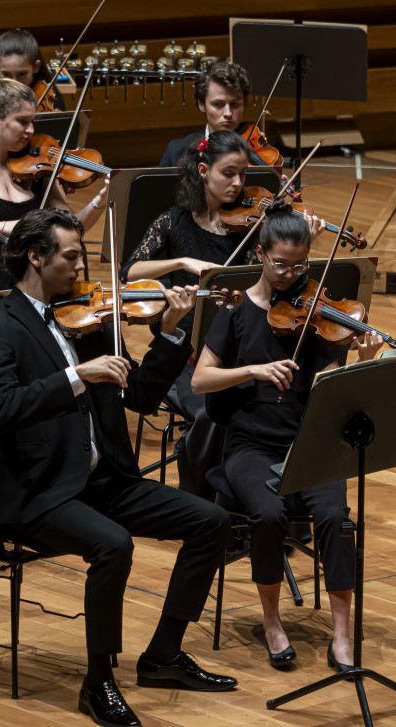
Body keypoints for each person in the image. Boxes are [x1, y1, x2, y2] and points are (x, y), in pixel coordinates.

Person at [0, 208, 236, 727]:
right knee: (112, 544)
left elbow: (138, 396)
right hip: (39, 490)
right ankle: (98, 684)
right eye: (71, 256)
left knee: (213, 522)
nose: (82, 267)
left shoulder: (89, 319)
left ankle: (162, 655)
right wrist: (77, 374)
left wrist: (170, 332)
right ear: (35, 256)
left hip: (102, 479)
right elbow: (0, 408)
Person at [191, 200, 382, 671]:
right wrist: (251, 369)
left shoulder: (319, 313)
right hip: (250, 445)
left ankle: (342, 636)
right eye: (281, 265)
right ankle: (272, 622)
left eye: (301, 265)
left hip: (311, 444)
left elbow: (336, 391)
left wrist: (366, 360)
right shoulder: (236, 310)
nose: (291, 275)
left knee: (337, 518)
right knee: (270, 513)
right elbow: (200, 380)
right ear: (260, 254)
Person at [122, 130, 325, 498]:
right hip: (187, 357)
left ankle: (262, 495)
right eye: (228, 173)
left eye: (243, 175)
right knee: (210, 411)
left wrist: (303, 238)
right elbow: (130, 272)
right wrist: (183, 260)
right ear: (203, 170)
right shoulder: (173, 222)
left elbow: (284, 285)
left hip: (246, 350)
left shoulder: (253, 231)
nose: (238, 183)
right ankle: (201, 500)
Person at [0, 78, 107, 291]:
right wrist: (9, 227)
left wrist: (99, 201)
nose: (31, 130)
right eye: (22, 122)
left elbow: (67, 225)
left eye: (32, 121)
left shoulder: (38, 166)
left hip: (37, 281)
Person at [159, 60, 250, 167]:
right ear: (201, 105)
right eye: (218, 104)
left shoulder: (260, 151)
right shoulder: (176, 151)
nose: (228, 113)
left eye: (234, 104)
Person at [0, 28, 65, 111]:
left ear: (36, 66)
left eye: (22, 74)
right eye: (6, 74)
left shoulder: (48, 95)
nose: (15, 84)